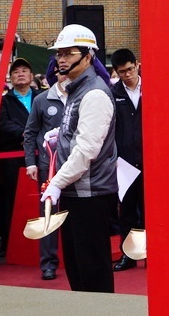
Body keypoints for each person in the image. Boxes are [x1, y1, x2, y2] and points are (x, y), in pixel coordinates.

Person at [41, 25, 119, 294]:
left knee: (92, 272)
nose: (61, 59)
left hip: (89, 194)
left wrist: (57, 182)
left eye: (69, 52)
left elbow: (87, 150)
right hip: (76, 192)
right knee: (77, 269)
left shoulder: (94, 93)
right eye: (58, 53)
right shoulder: (76, 89)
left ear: (88, 56)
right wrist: (59, 135)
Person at [0, 57, 40, 258]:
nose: (20, 73)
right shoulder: (4, 101)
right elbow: (2, 124)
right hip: (13, 159)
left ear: (31, 76)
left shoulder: (41, 97)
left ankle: (42, 242)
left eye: (24, 70)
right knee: (13, 200)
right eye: (16, 71)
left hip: (41, 155)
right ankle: (12, 245)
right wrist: (26, 135)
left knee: (41, 197)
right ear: (10, 78)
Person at [23, 73, 67, 280]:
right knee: (48, 214)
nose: (65, 75)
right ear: (55, 74)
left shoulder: (83, 96)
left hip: (77, 166)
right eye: (61, 71)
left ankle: (77, 258)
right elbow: (30, 133)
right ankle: (48, 263)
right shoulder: (42, 100)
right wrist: (31, 162)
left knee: (79, 212)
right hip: (48, 167)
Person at [110, 49, 144, 272]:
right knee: (127, 212)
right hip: (125, 163)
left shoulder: (152, 87)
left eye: (130, 69)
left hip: (151, 159)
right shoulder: (112, 93)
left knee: (152, 211)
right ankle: (128, 255)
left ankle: (153, 253)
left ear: (137, 65)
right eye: (122, 72)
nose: (127, 75)